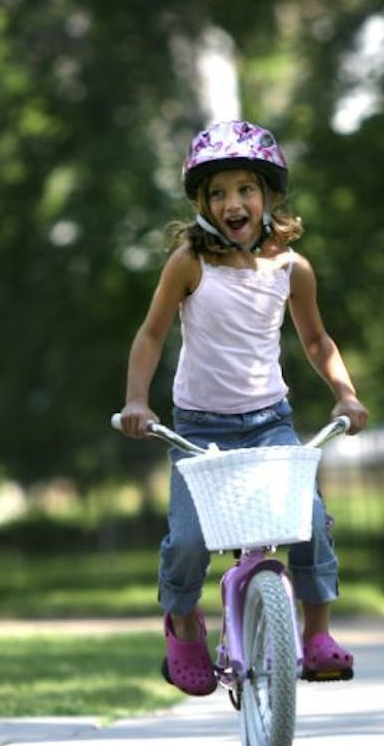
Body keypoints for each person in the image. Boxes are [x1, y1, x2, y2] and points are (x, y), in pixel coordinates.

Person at [118, 119, 370, 696]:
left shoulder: (292, 270)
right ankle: (183, 623)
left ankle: (315, 635)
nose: (234, 203)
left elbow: (316, 342)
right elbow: (152, 334)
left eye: (246, 190)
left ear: (269, 198)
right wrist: (137, 401)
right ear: (203, 203)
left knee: (306, 521)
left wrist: (346, 393)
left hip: (268, 423)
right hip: (199, 428)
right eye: (219, 193)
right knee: (186, 540)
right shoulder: (188, 263)